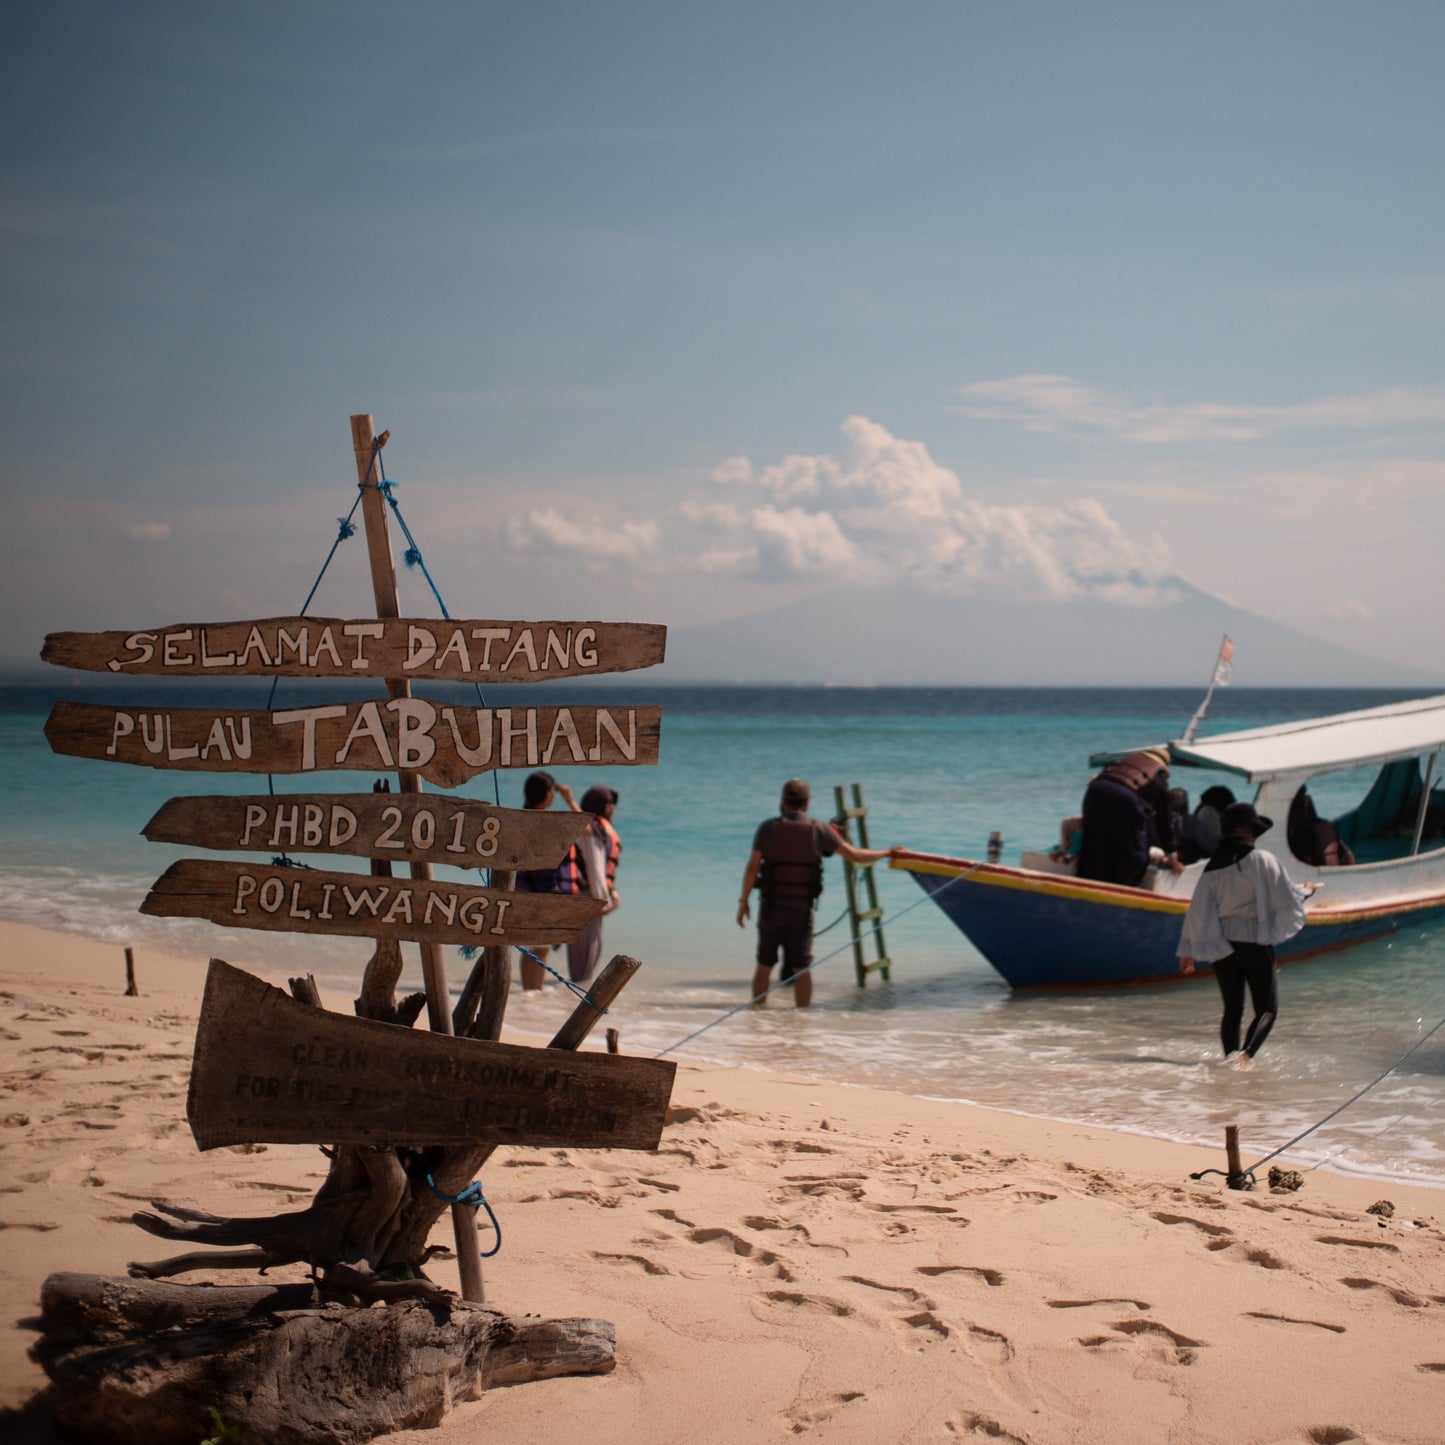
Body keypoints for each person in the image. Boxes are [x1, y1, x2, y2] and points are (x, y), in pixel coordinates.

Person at [736, 778, 904, 1008]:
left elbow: (752, 868)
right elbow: (855, 855)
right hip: (801, 910)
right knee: (801, 967)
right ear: (807, 803)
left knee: (764, 964)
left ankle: (756, 1016)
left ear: (783, 802)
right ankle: (802, 1022)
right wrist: (888, 852)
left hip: (771, 907)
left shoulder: (768, 829)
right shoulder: (819, 830)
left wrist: (743, 902)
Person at [1178, 801, 1317, 1066]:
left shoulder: (1212, 867)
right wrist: (1308, 890)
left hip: (1222, 940)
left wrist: (1187, 951)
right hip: (1252, 937)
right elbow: (1287, 894)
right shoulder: (1262, 860)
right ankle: (1245, 1057)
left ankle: (1229, 1059)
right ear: (1251, 832)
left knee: (1232, 1009)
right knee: (1267, 1008)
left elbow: (1197, 909)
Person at [512, 770, 581, 991]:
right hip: (543, 892)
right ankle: (533, 993)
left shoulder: (521, 820)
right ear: (548, 793)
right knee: (540, 949)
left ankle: (530, 994)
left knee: (536, 948)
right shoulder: (551, 823)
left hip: (524, 891)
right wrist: (570, 799)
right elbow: (587, 831)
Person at [1076, 749, 1179, 886]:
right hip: (1125, 799)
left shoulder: (1119, 764)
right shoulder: (1157, 778)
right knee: (1134, 852)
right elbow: (1163, 821)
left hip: (1095, 791)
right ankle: (1124, 884)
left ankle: (1086, 881)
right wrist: (1172, 855)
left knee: (1094, 841)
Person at [566, 785, 622, 984]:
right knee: (585, 955)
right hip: (587, 897)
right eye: (610, 804)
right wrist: (603, 899)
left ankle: (574, 996)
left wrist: (611, 892)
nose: (613, 808)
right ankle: (576, 998)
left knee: (590, 951)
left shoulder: (599, 830)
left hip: (590, 896)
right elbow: (594, 867)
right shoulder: (593, 830)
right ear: (603, 806)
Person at [1287, 787, 1356, 867]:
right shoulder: (1325, 824)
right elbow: (1349, 856)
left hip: (1318, 876)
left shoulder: (1301, 830)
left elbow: (1305, 862)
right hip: (1335, 872)